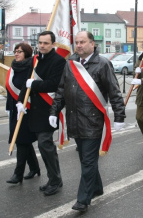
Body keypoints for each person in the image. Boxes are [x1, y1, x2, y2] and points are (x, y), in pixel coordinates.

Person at [49, 31, 126, 212]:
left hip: (93, 121)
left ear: (93, 44)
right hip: (74, 119)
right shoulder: (70, 63)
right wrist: (54, 111)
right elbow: (61, 90)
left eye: (83, 42)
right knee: (85, 158)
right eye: (77, 42)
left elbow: (114, 91)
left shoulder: (103, 64)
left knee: (89, 161)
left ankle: (83, 200)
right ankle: (97, 187)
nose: (79, 45)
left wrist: (119, 116)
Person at [17, 31, 66, 196]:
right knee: (45, 146)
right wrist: (20, 100)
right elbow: (27, 82)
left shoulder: (59, 61)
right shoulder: (36, 59)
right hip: (34, 110)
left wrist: (35, 84)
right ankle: (54, 178)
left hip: (49, 109)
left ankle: (55, 180)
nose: (42, 46)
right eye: (40, 43)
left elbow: (54, 84)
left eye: (46, 43)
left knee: (45, 144)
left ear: (53, 44)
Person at [6, 43, 40, 184]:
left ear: (26, 53)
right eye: (15, 51)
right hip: (15, 109)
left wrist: (23, 103)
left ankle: (18, 174)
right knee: (24, 141)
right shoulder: (13, 68)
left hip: (27, 109)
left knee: (21, 141)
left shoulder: (31, 69)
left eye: (20, 51)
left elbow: (30, 89)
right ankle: (34, 167)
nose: (16, 54)